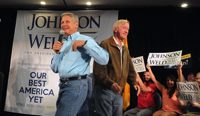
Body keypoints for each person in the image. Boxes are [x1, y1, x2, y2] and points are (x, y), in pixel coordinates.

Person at [50, 12, 109, 116]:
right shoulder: (63, 44)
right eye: (62, 22)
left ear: (76, 24)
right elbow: (55, 69)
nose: (64, 24)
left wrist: (85, 44)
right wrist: (56, 54)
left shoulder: (85, 40)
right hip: (63, 86)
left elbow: (104, 59)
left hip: (76, 86)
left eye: (67, 21)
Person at [93, 19, 140, 116]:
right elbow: (99, 70)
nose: (126, 31)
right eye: (124, 28)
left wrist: (134, 82)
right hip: (105, 90)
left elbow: (130, 68)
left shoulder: (125, 48)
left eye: (128, 29)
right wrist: (111, 84)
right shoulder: (105, 44)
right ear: (115, 29)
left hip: (118, 91)